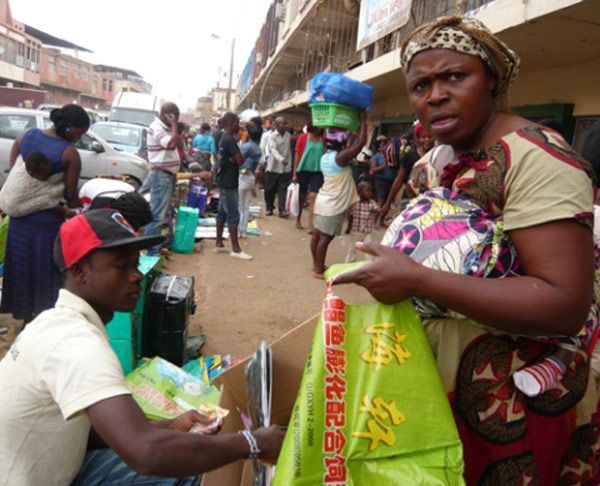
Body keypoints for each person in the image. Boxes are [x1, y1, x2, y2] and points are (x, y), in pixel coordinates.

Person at [333, 16, 599, 484]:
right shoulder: (436, 162)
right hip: (433, 386)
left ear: (492, 79)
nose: (434, 95)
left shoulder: (539, 161)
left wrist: (418, 280)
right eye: (420, 85)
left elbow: (563, 305)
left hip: (511, 404)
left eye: (455, 76)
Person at [0, 209, 285, 485]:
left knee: (180, 451)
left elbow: (84, 432)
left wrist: (172, 426)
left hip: (56, 467)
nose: (137, 275)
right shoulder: (76, 344)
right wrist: (252, 442)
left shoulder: (54, 322)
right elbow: (146, 453)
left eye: (136, 264)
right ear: (79, 272)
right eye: (122, 266)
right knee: (182, 469)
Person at [0, 104, 88, 323]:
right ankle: (43, 321)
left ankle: (24, 319)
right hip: (45, 225)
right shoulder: (69, 153)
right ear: (69, 127)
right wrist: (79, 209)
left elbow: (17, 173)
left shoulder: (25, 136)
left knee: (21, 269)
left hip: (19, 220)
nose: (80, 137)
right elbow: (70, 194)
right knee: (44, 274)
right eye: (80, 131)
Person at [311, 113, 367, 279]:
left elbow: (354, 144)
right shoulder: (339, 158)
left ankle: (316, 265)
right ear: (341, 145)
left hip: (323, 201)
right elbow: (360, 144)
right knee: (325, 238)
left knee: (317, 235)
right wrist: (363, 121)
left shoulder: (325, 157)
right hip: (332, 205)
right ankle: (319, 269)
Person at [143, 102, 181, 256]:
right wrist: (174, 125)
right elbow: (172, 144)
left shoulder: (164, 128)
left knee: (160, 214)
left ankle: (155, 249)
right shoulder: (157, 127)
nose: (175, 121)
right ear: (168, 115)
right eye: (174, 117)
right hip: (161, 175)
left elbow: (176, 142)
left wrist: (173, 127)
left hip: (165, 175)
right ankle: (152, 253)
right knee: (156, 216)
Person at [213, 112, 252, 260]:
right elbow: (240, 160)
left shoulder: (223, 138)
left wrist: (233, 159)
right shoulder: (230, 140)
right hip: (229, 182)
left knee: (222, 212)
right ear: (231, 123)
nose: (239, 126)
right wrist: (235, 158)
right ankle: (236, 249)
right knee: (233, 215)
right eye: (237, 123)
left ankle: (218, 244)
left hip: (223, 180)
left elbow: (234, 159)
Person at [379, 121, 435, 224]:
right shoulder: (410, 156)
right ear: (418, 139)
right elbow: (399, 180)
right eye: (423, 137)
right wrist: (387, 203)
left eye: (430, 137)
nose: (427, 140)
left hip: (431, 202)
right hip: (409, 200)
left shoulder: (438, 157)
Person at [292, 124, 325, 231]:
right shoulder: (303, 137)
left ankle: (311, 225)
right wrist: (294, 173)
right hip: (303, 171)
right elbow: (297, 156)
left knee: (313, 196)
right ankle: (298, 218)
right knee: (301, 197)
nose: (321, 129)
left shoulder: (323, 139)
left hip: (317, 172)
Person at [344, 180, 379, 263]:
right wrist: (348, 228)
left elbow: (376, 209)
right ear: (360, 192)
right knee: (352, 248)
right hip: (356, 231)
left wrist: (379, 210)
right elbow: (350, 215)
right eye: (368, 190)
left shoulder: (371, 203)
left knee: (368, 248)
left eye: (371, 190)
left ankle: (370, 264)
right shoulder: (355, 203)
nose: (370, 193)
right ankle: (348, 263)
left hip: (367, 232)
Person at [264, 116, 292, 217]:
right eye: (283, 124)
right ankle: (269, 207)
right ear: (276, 125)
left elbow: (288, 151)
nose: (286, 126)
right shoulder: (271, 136)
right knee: (270, 189)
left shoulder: (288, 135)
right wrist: (281, 159)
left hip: (285, 168)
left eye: (286, 123)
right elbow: (273, 149)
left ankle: (282, 210)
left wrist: (288, 163)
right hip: (273, 166)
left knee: (282, 189)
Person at [238, 121, 263, 238]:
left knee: (239, 205)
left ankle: (238, 230)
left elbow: (238, 159)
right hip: (251, 177)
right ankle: (243, 231)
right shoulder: (258, 148)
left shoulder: (247, 146)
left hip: (243, 176)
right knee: (246, 206)